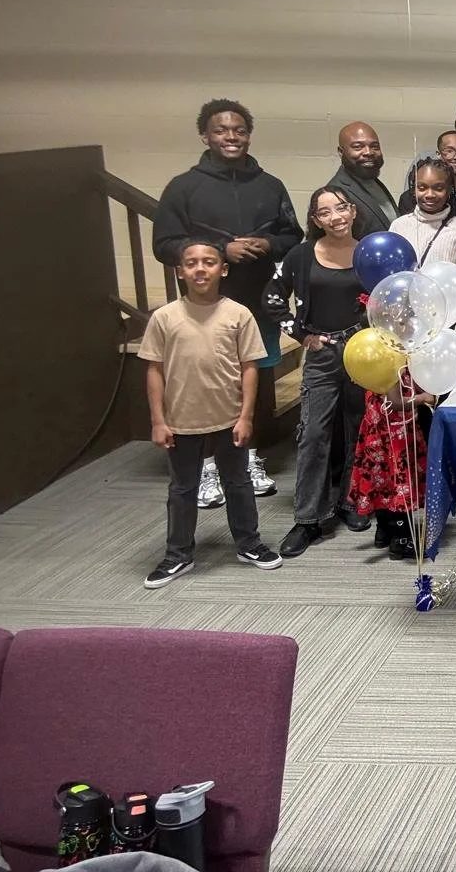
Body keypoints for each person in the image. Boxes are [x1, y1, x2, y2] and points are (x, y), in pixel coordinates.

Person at [153, 99, 302, 508]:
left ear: (248, 135)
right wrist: (221, 249)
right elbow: (164, 243)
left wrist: (267, 244)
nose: (231, 136)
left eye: (238, 130)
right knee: (204, 383)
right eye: (221, 130)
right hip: (203, 308)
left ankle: (249, 459)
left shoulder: (269, 185)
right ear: (205, 136)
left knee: (256, 378)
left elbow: (293, 235)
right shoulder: (183, 187)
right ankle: (206, 469)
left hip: (257, 304)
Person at [139, 240, 282, 587]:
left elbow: (250, 368)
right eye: (191, 263)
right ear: (180, 271)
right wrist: (158, 421)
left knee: (238, 483)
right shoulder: (164, 317)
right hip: (181, 421)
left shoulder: (238, 314)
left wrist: (246, 416)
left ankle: (248, 543)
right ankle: (177, 554)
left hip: (229, 418)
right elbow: (154, 371)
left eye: (209, 262)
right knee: (182, 488)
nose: (200, 269)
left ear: (224, 269)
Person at [262, 188, 369, 558]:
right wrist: (301, 334)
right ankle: (308, 518)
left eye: (341, 208)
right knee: (314, 433)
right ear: (316, 220)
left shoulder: (370, 251)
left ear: (352, 211)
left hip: (363, 353)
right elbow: (273, 297)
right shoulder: (301, 254)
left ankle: (352, 502)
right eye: (325, 212)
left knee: (358, 428)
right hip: (322, 355)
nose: (336, 216)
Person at [349, 367, 434, 560]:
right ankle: (401, 539)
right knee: (399, 484)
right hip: (396, 435)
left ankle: (383, 530)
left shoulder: (374, 360)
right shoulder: (390, 362)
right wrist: (424, 398)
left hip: (377, 432)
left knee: (382, 482)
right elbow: (396, 402)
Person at [390, 157, 456, 281]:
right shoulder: (398, 226)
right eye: (422, 188)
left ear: (449, 191)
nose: (430, 194)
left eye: (439, 188)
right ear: (414, 190)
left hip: (446, 300)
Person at [326, 121, 396, 236]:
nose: (368, 152)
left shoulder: (372, 181)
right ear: (341, 152)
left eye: (375, 146)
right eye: (358, 147)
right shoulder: (336, 193)